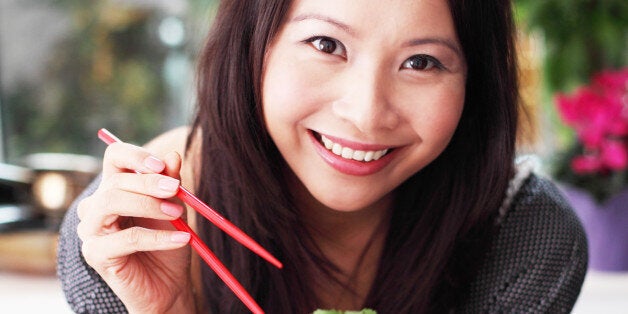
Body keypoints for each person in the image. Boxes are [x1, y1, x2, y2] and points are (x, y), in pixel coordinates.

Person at [57, 0, 588, 313]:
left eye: (422, 61)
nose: (366, 113)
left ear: (476, 83)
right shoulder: (123, 234)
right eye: (326, 45)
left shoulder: (526, 234)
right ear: (253, 45)